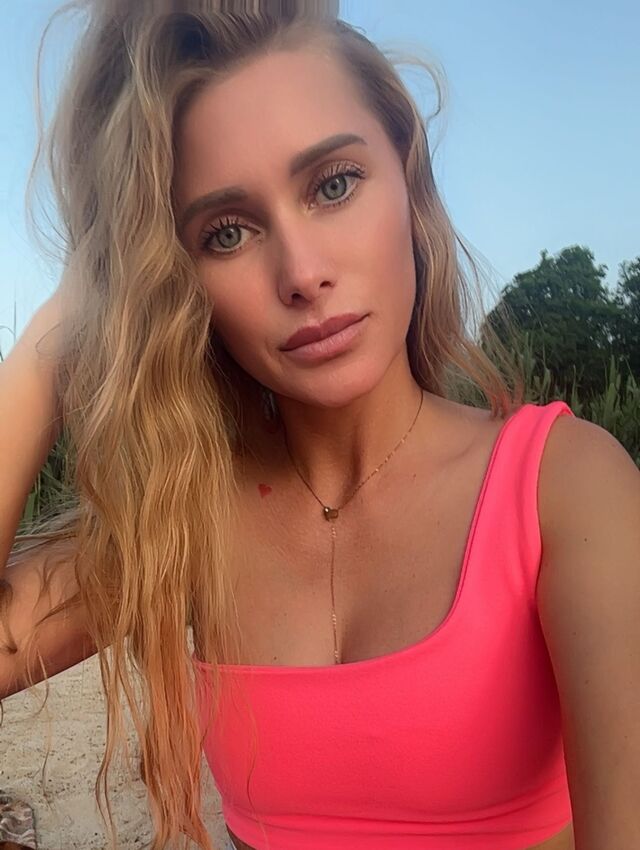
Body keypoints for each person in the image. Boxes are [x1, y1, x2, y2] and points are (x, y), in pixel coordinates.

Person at [0, 2, 638, 849]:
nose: (301, 274)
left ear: (408, 175)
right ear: (175, 277)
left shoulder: (567, 488)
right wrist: (68, 317)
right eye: (226, 232)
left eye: (333, 185)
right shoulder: (185, 518)